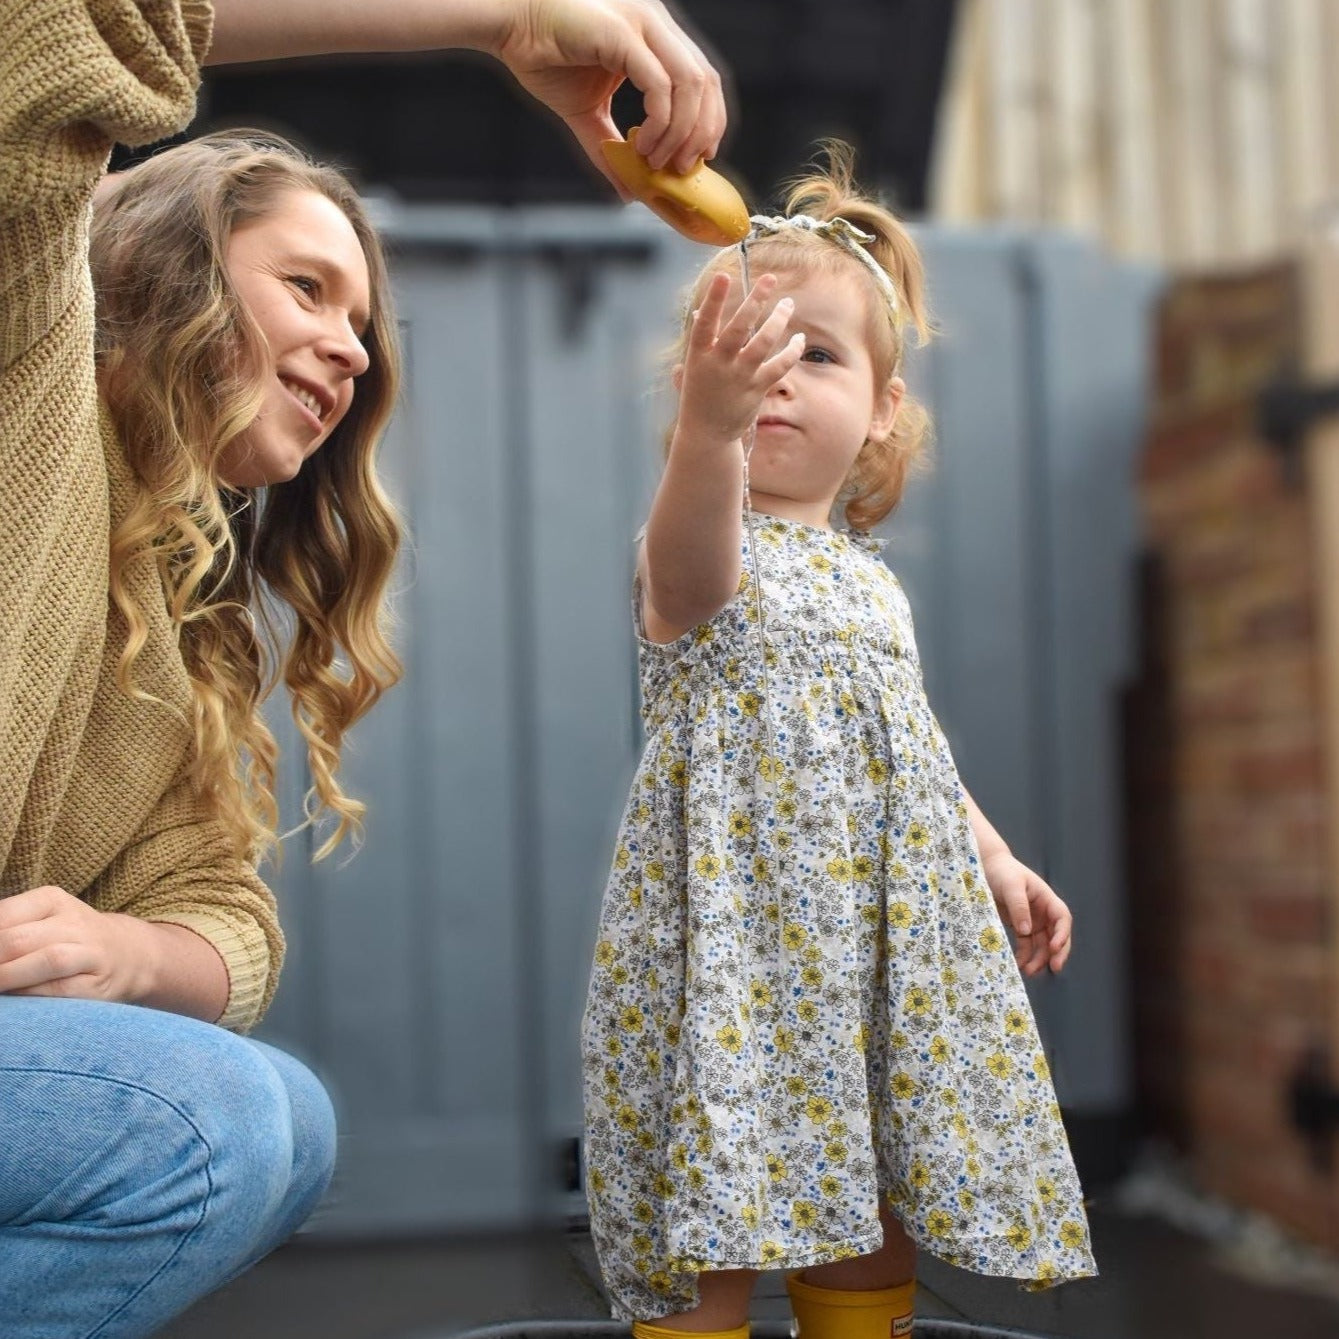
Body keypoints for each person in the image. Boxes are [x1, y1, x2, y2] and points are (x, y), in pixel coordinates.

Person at [0, 1, 726, 1334]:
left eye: (362, 316)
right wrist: (499, 15)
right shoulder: (23, 361)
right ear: (164, 272)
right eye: (306, 288)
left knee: (283, 1124)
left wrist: (121, 947)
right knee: (206, 1121)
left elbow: (225, 913)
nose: (352, 343)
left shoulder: (176, 612)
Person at [580, 145, 1098, 1339]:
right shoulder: (705, 548)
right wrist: (703, 438)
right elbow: (687, 567)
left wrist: (994, 853)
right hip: (734, 948)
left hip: (873, 946)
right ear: (697, 384)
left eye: (815, 354)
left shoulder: (871, 588)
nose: (775, 378)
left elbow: (908, 749)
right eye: (747, 354)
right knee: (709, 1201)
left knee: (875, 1191)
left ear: (881, 411)